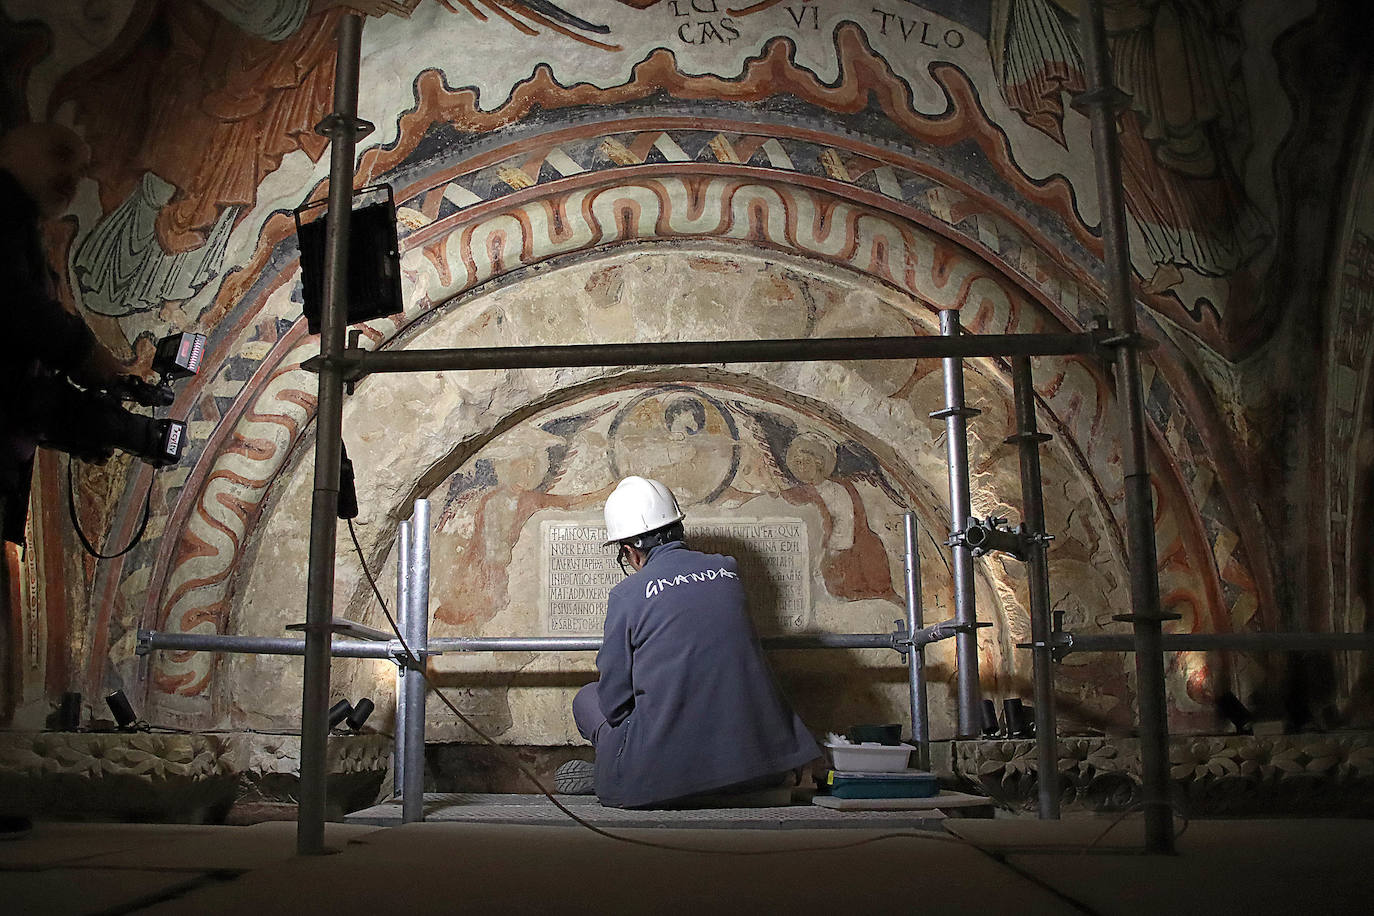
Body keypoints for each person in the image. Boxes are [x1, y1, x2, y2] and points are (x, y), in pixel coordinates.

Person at [563, 476, 819, 808]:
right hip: (759, 767)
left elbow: (613, 703)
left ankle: (612, 770)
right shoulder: (728, 571)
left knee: (588, 699)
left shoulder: (627, 595)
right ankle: (715, 778)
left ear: (630, 552)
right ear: (678, 528)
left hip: (659, 782)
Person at [0, 122, 158, 546]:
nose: (74, 178)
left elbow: (18, 388)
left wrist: (87, 426)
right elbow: (18, 309)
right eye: (61, 153)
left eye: (83, 167)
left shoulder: (23, 233)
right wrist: (86, 354)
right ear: (10, 147)